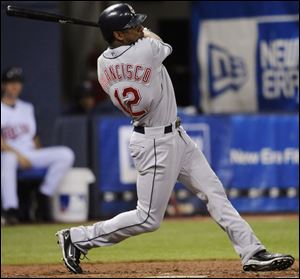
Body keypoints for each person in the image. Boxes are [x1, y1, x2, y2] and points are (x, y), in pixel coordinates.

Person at [56, 3, 294, 274]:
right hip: (156, 142)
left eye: (137, 23)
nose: (138, 26)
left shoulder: (102, 64)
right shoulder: (146, 50)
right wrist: (143, 32)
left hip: (173, 135)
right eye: (130, 25)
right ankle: (77, 238)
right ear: (118, 35)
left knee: (214, 192)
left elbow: (127, 50)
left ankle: (252, 251)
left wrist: (130, 33)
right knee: (147, 218)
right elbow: (158, 41)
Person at [1, 67, 75, 224]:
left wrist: (40, 155)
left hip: (29, 153)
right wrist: (18, 156)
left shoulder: (27, 108)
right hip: (9, 154)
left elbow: (33, 136)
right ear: (3, 85)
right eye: (10, 82)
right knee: (8, 158)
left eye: (17, 82)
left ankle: (43, 195)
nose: (14, 86)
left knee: (65, 154)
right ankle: (10, 209)